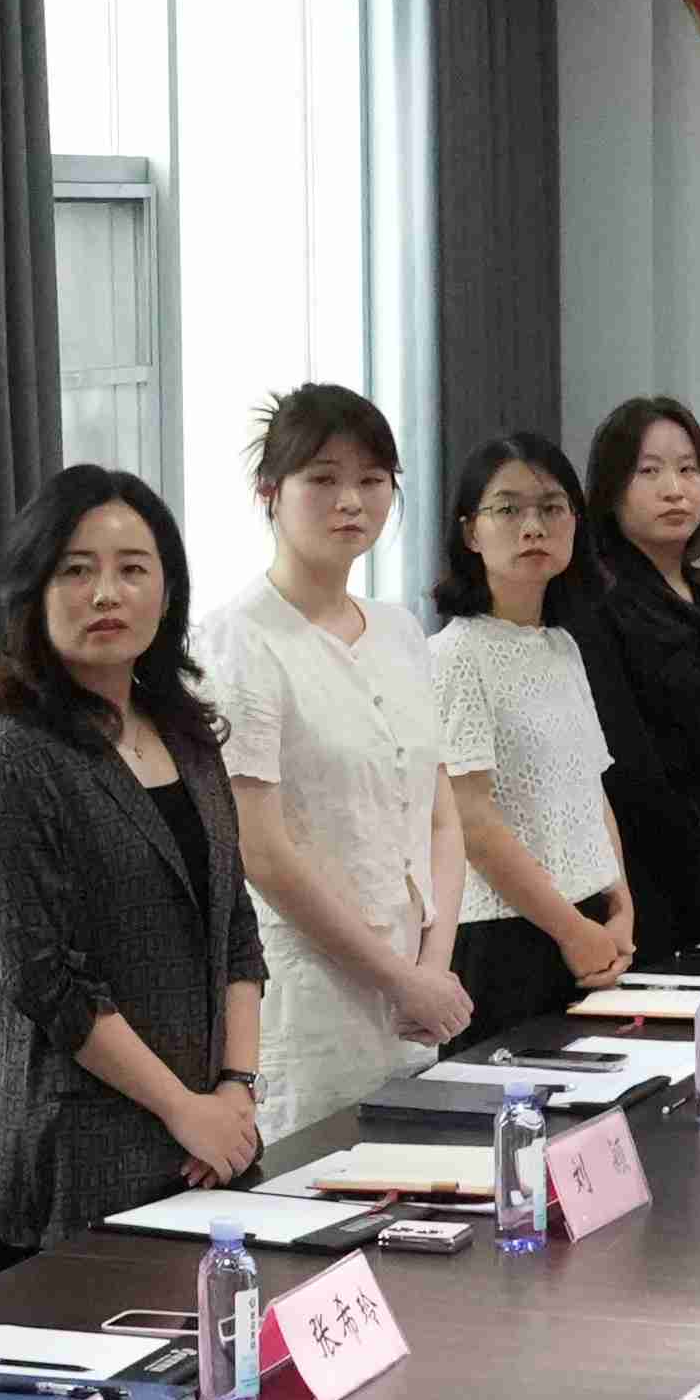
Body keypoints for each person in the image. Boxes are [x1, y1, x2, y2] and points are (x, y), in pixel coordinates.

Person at [0, 465, 272, 1260]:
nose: (106, 594)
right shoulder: (14, 758)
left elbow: (236, 928)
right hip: (82, 1152)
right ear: (35, 592)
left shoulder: (189, 737)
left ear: (168, 593)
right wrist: (184, 1110)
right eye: (76, 570)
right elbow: (45, 980)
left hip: (210, 1141)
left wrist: (235, 1091)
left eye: (132, 569)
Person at [211, 382, 470, 1147]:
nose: (350, 501)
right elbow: (260, 849)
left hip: (416, 999)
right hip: (308, 998)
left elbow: (440, 814)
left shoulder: (399, 630)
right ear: (269, 492)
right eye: (322, 478)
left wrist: (432, 968)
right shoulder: (239, 640)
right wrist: (400, 978)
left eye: (372, 479)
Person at [426, 429, 637, 1035]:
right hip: (506, 936)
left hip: (591, 924)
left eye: (551, 508)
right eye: (508, 509)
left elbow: (591, 790)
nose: (533, 527)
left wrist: (621, 903)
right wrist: (572, 931)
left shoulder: (563, 646)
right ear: (470, 532)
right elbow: (472, 820)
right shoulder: (455, 654)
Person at [566, 393, 700, 968]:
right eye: (649, 471)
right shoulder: (597, 607)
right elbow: (631, 771)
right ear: (610, 490)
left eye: (689, 470)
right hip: (656, 891)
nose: (675, 489)